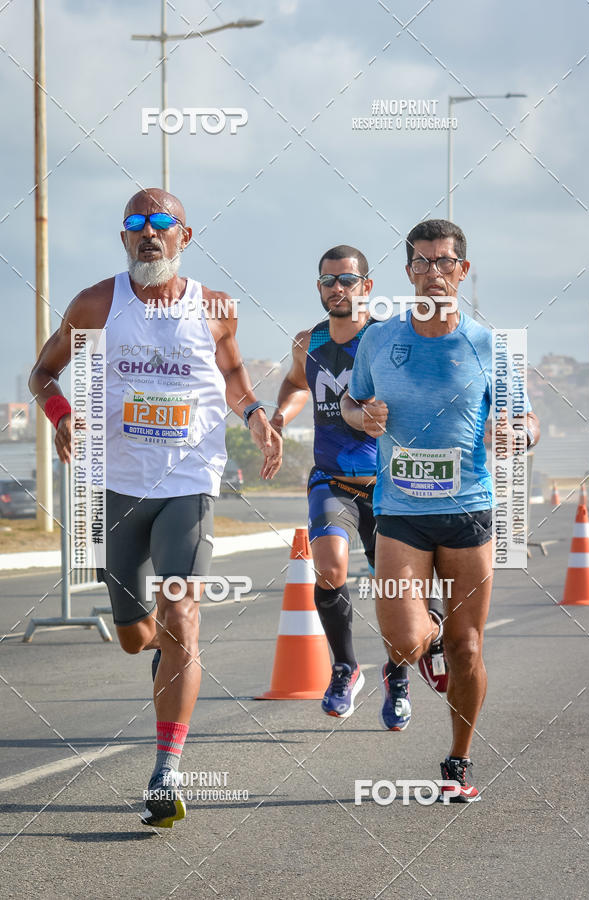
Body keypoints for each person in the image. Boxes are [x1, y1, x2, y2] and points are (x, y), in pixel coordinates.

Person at [29, 188, 282, 828]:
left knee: (182, 617)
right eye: (136, 224)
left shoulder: (215, 307)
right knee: (135, 637)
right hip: (115, 487)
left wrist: (255, 417)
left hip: (189, 482)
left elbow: (233, 376)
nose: (149, 233)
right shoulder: (95, 304)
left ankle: (167, 772)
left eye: (162, 223)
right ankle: (159, 655)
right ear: (123, 238)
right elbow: (42, 373)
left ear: (183, 236)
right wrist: (61, 414)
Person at [341, 219, 539, 801]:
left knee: (468, 646)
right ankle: (424, 643)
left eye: (445, 262)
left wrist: (519, 435)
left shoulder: (488, 346)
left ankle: (458, 762)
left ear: (463, 270)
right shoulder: (378, 340)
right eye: (422, 263)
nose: (433, 273)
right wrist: (360, 417)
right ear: (408, 272)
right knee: (404, 641)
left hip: (468, 510)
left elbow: (525, 420)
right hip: (400, 510)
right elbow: (351, 402)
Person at [271, 245, 411, 729]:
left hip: (387, 484)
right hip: (331, 479)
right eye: (328, 281)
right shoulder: (307, 341)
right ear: (319, 287)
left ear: (366, 286)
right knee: (329, 567)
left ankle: (397, 674)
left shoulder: (387, 340)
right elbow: (295, 385)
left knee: (392, 586)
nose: (337, 288)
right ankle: (346, 668)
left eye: (347, 280)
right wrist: (279, 419)